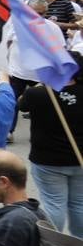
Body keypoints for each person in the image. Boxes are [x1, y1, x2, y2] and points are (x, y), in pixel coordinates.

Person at [17, 66, 83, 235]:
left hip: (48, 160)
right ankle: (80, 245)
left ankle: (53, 244)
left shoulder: (38, 93)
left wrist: (41, 84)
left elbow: (21, 104)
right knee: (79, 203)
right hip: (78, 158)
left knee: (54, 204)